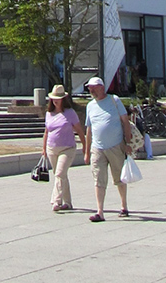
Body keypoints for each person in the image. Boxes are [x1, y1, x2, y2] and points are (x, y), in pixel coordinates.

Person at [82, 75, 133, 222]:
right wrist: (86, 151)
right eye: (89, 88)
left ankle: (123, 205)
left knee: (119, 178)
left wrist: (127, 143)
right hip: (97, 148)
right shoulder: (90, 106)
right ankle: (100, 211)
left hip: (116, 146)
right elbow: (89, 130)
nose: (91, 90)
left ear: (101, 87)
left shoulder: (114, 100)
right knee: (98, 179)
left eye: (93, 88)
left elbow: (125, 122)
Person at [41, 85, 85, 213]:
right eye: (53, 98)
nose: (55, 101)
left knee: (59, 173)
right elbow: (46, 132)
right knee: (60, 175)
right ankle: (68, 202)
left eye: (58, 98)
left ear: (63, 99)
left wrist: (85, 147)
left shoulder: (70, 113)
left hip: (67, 148)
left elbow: (79, 131)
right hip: (52, 149)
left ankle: (56, 200)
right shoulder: (49, 114)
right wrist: (44, 148)